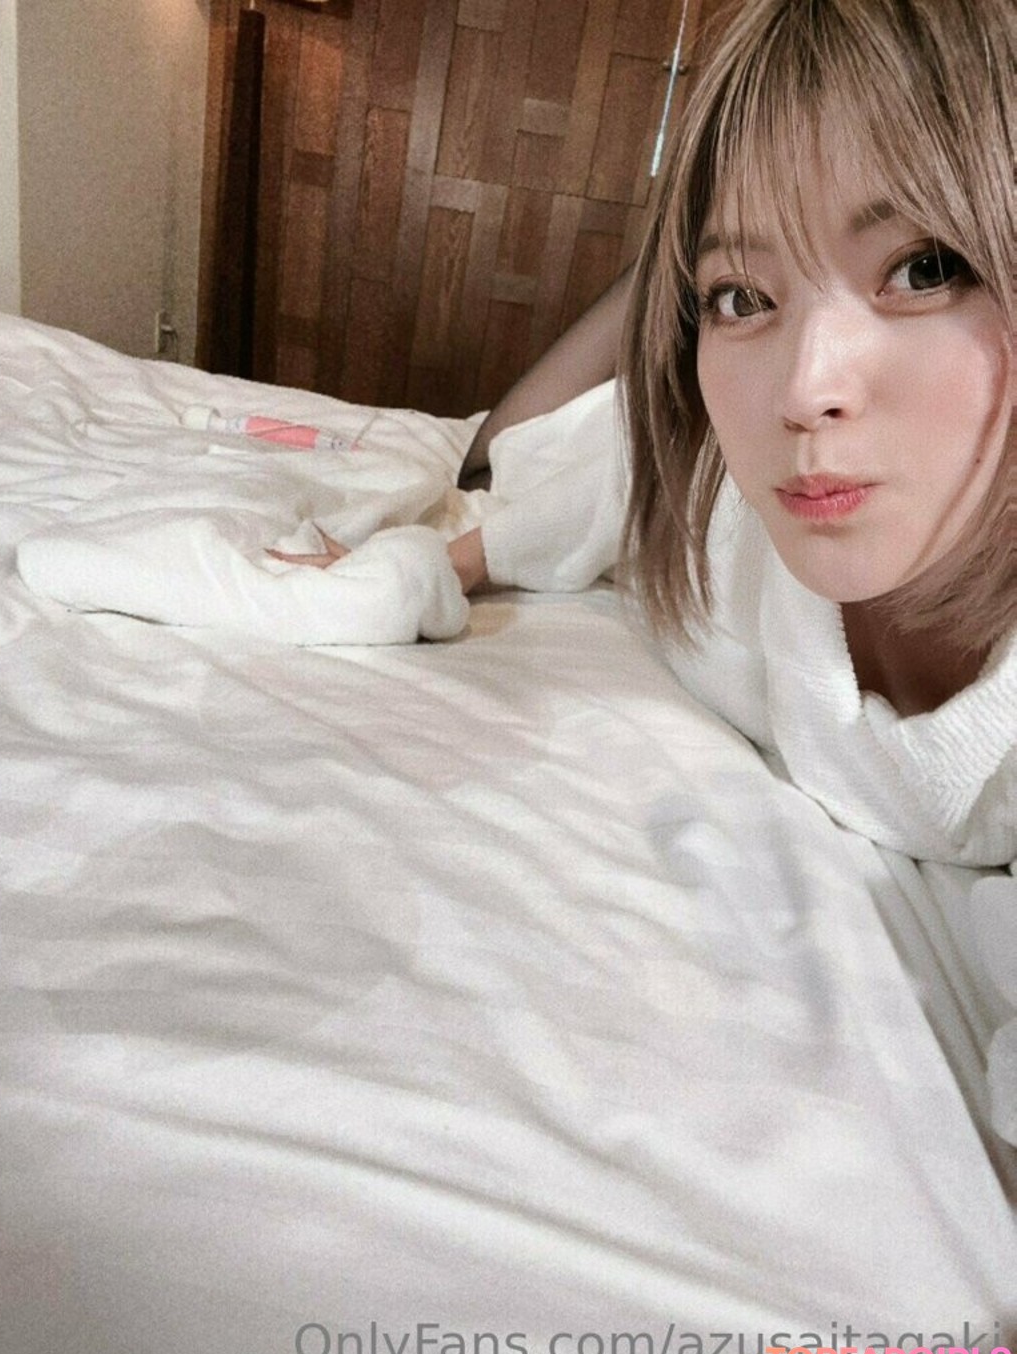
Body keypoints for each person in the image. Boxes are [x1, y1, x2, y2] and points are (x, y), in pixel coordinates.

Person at [274, 0, 1014, 869]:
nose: (804, 390)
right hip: (602, 439)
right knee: (485, 462)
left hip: (639, 425)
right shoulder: (723, 489)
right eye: (742, 298)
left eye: (925, 269)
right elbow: (625, 475)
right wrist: (439, 561)